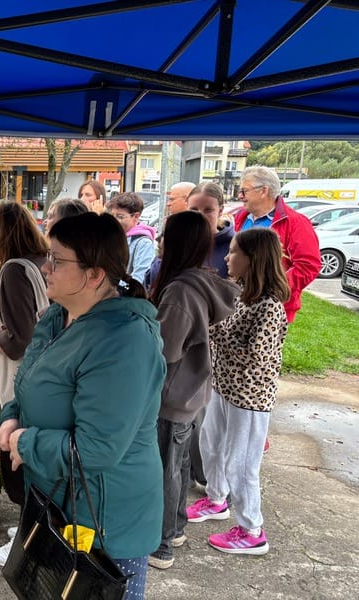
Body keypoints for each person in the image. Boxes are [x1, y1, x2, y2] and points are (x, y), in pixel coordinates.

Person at [0, 212, 166, 600]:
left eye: (57, 260)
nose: (46, 267)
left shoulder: (124, 342)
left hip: (105, 523)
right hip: (57, 505)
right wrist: (11, 418)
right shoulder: (59, 315)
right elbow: (29, 384)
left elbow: (97, 450)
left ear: (95, 275)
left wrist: (23, 442)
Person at [186, 228, 290, 556]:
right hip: (224, 387)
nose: (227, 258)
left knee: (242, 464)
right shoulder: (244, 292)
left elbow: (256, 356)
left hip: (250, 398)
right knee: (210, 444)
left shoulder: (269, 307)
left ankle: (252, 530)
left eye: (233, 252)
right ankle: (217, 500)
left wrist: (212, 330)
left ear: (253, 259)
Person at [147, 211, 239, 570]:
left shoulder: (180, 291)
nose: (160, 242)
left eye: (165, 236)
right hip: (191, 393)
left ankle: (162, 543)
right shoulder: (202, 280)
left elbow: (164, 352)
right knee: (179, 466)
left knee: (167, 469)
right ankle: (176, 528)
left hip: (170, 396)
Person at [0, 202, 49, 566]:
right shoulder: (38, 262)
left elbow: (20, 339)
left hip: (21, 378)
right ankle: (32, 529)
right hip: (40, 376)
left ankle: (31, 540)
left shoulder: (15, 270)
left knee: (16, 452)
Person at [233, 166, 320, 322]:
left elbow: (308, 266)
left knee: (262, 346)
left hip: (272, 307)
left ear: (263, 191)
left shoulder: (296, 223)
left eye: (244, 191)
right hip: (237, 300)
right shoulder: (240, 216)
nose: (240, 196)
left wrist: (270, 288)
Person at [107, 192, 156, 285]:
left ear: (136, 216)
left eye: (120, 217)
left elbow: (139, 279)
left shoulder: (143, 243)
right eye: (112, 216)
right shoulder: (113, 238)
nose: (114, 221)